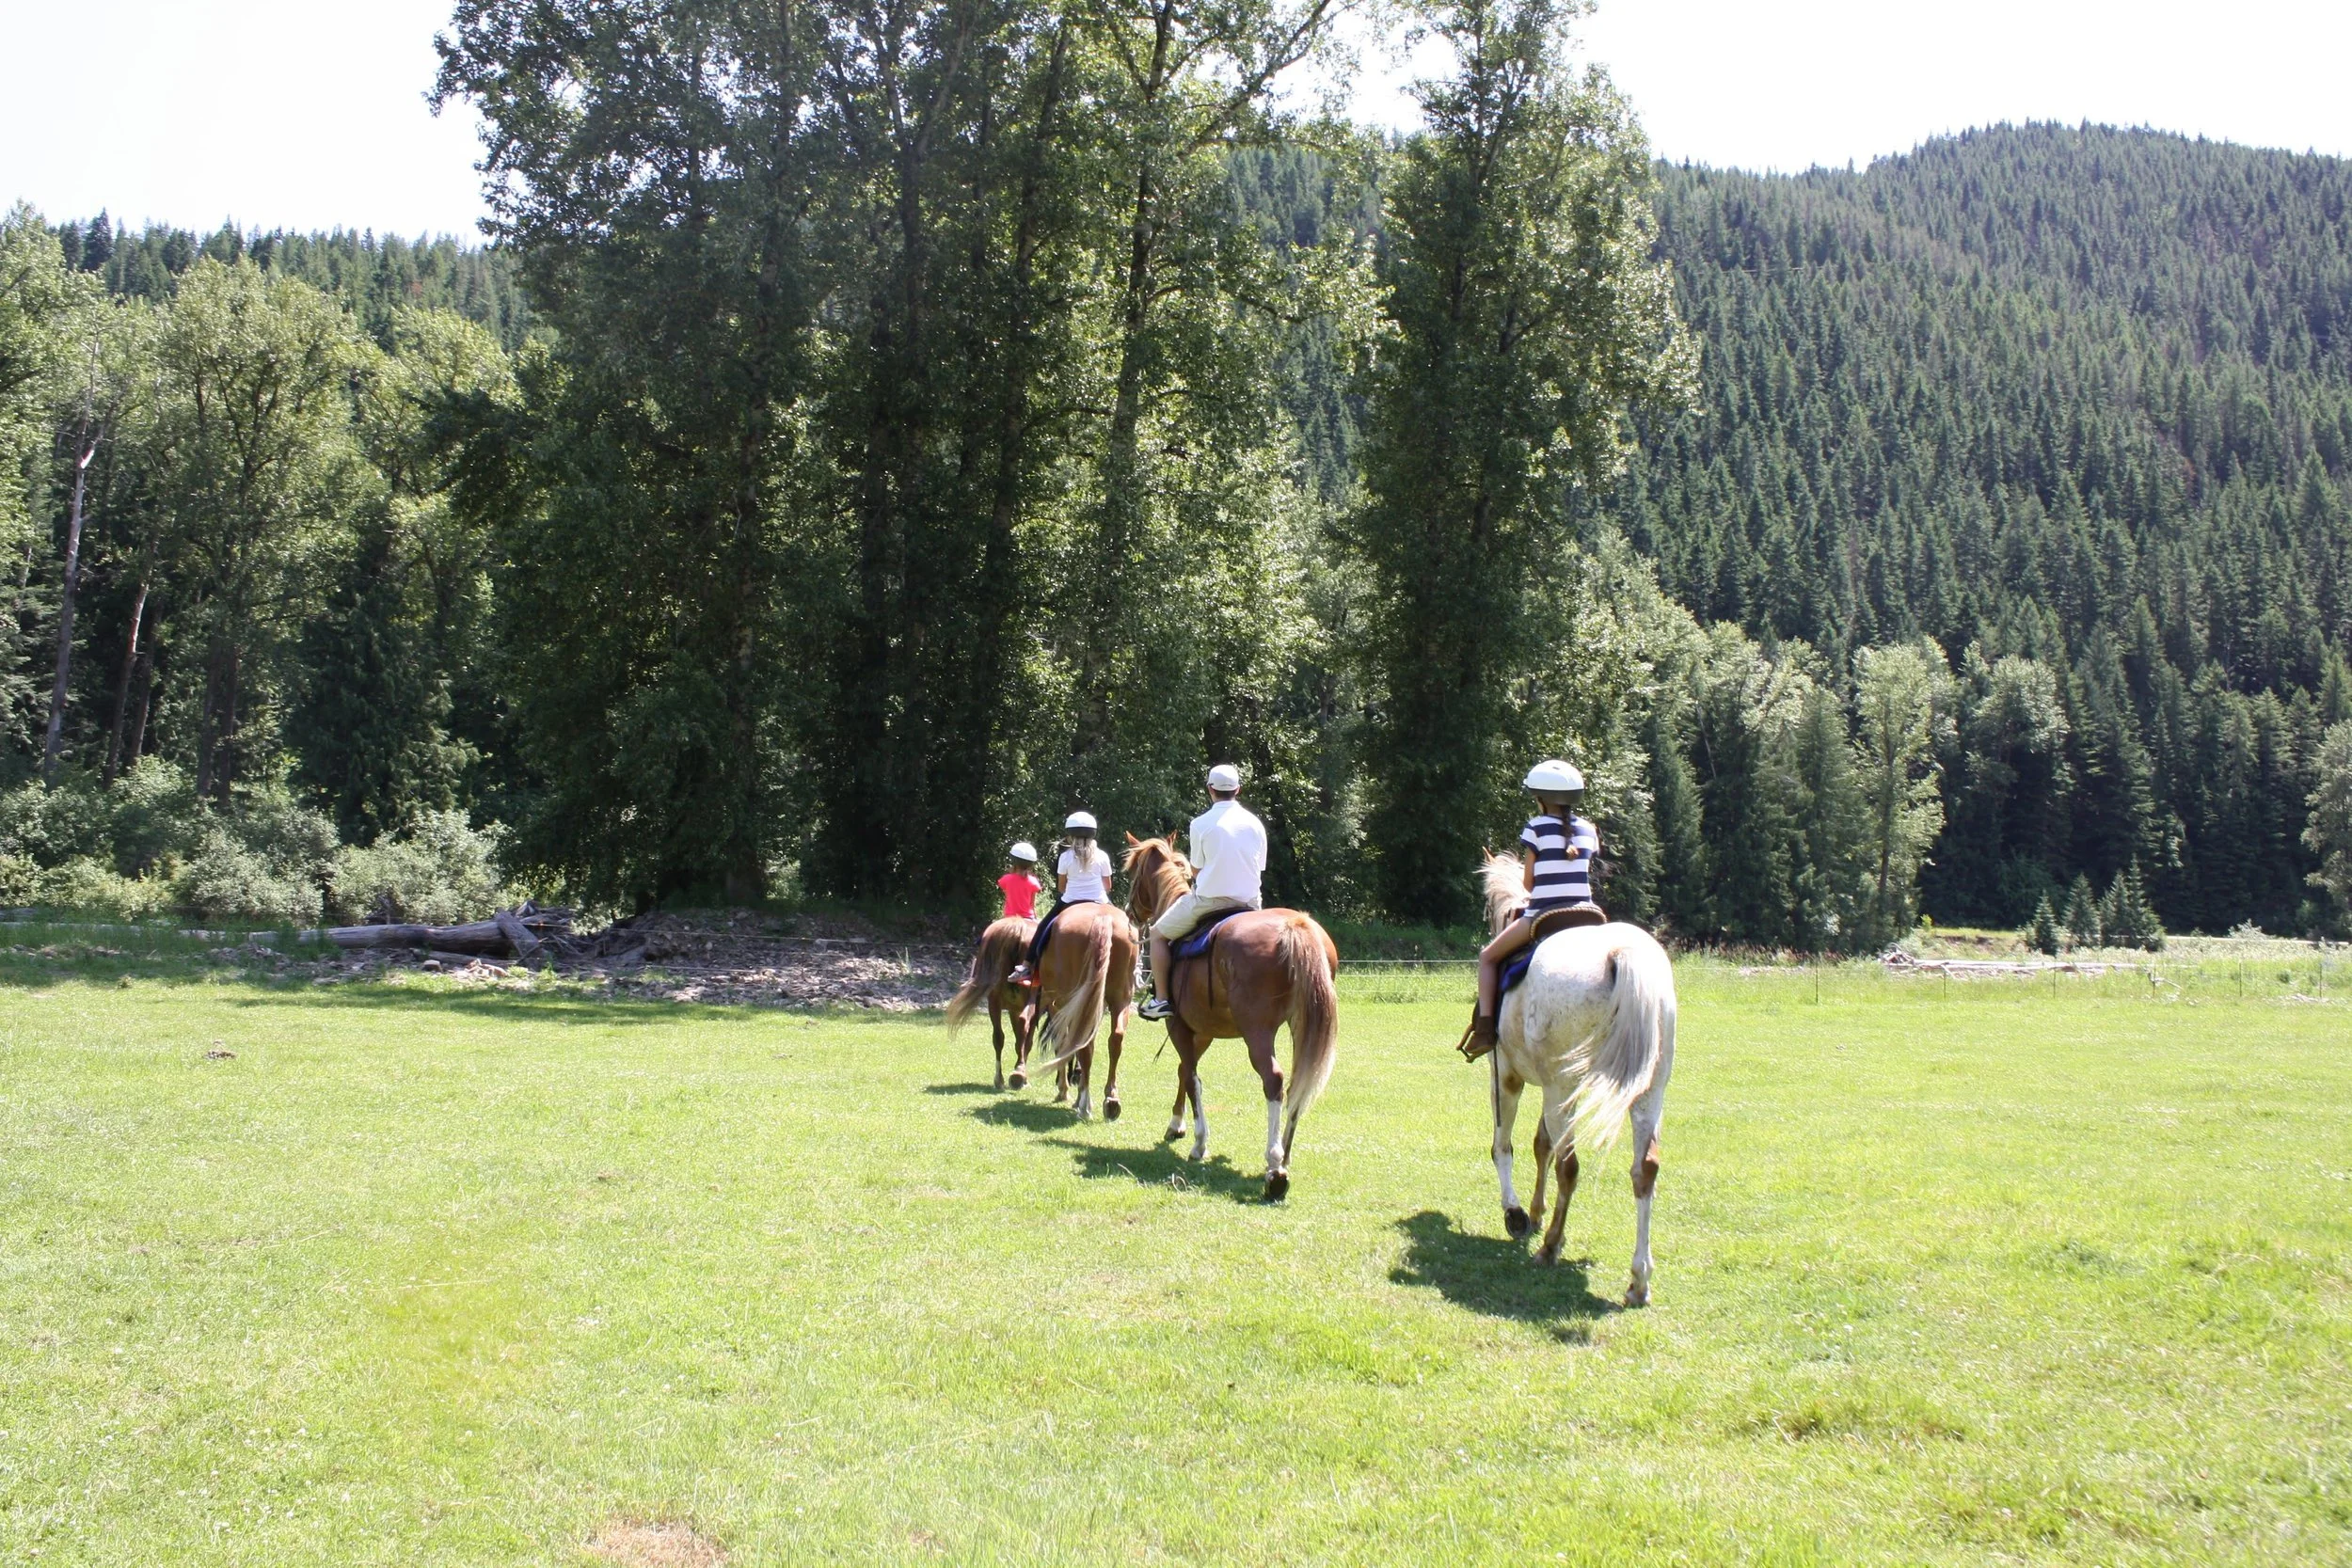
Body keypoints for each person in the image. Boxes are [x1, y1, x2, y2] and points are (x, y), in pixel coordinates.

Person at [1462, 760, 1602, 1057]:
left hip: (1545, 915)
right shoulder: (1589, 829)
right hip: (1589, 915)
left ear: (1540, 797)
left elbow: (1527, 885)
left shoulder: (1535, 828)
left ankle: (1485, 1030)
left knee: (1488, 957)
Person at [1137, 765, 1266, 1022]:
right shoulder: (1256, 824)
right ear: (1238, 789)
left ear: (1210, 790)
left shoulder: (1199, 824)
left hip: (1209, 902)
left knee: (1157, 935)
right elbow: (1259, 866)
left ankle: (1161, 999)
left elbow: (1196, 869)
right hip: (1251, 903)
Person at [1009, 813, 1115, 987]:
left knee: (1043, 927)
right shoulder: (1102, 856)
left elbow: (1061, 886)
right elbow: (1108, 885)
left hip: (1070, 900)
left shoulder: (1065, 857)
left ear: (1070, 834)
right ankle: (1136, 968)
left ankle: (1026, 966)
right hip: (1100, 900)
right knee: (1127, 926)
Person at [997, 842, 1041, 921]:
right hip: (1028, 917)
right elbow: (1032, 904)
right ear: (1031, 864)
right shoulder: (1034, 882)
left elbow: (1006, 894)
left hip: (1009, 917)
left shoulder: (1006, 879)